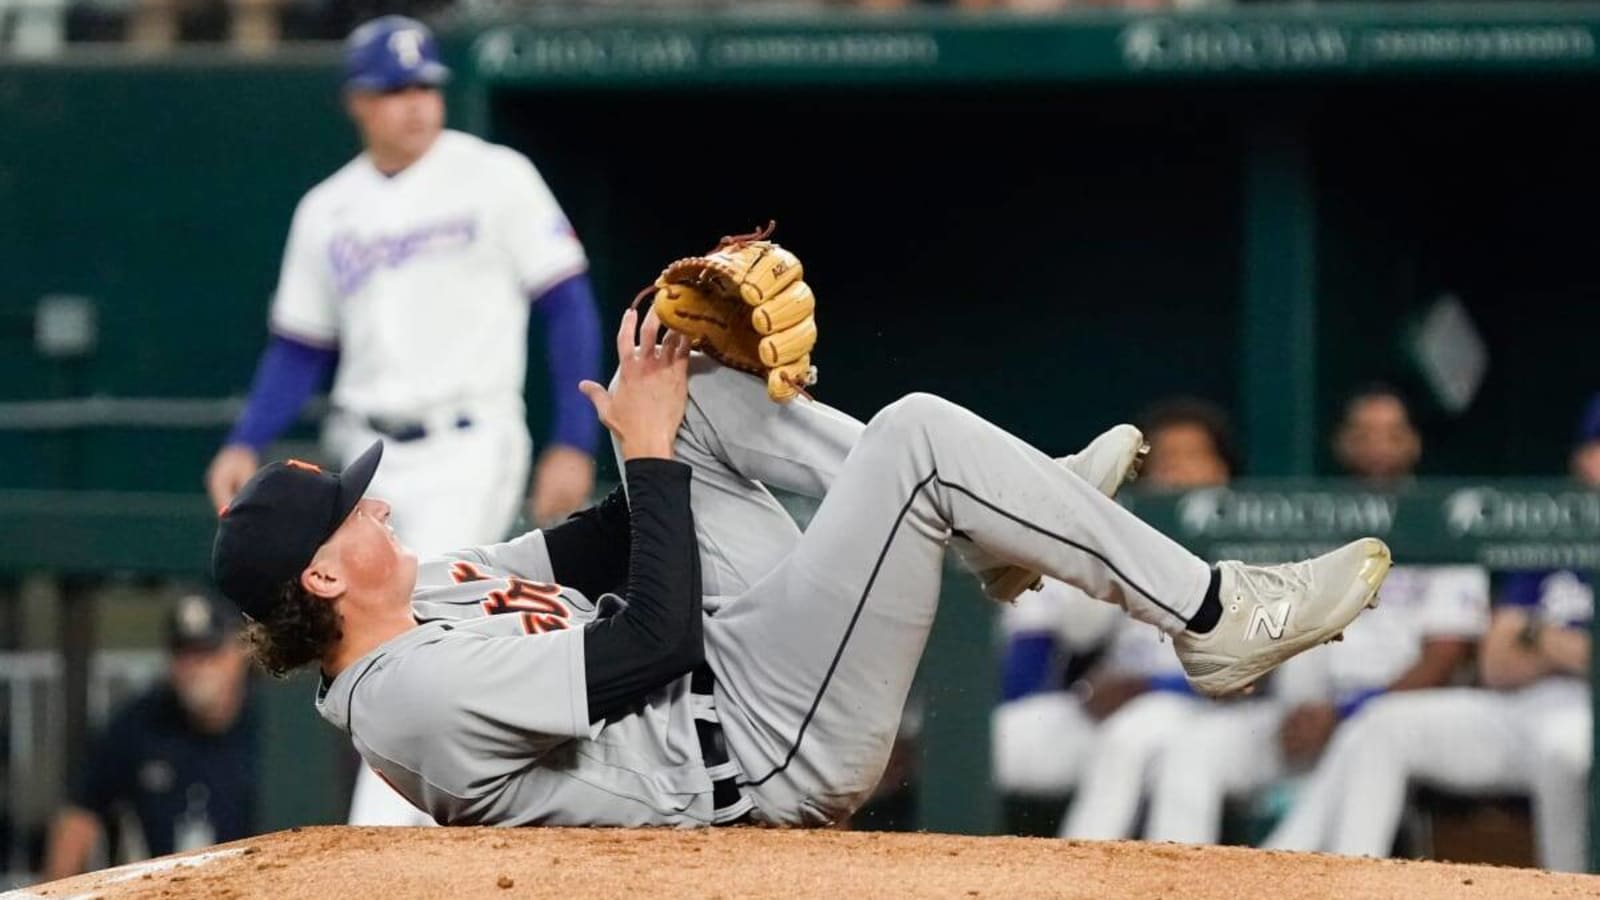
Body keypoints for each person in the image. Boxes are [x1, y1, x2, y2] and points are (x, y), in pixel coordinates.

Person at [209, 305, 1391, 829]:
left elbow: (613, 538)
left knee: (711, 400)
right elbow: (649, 645)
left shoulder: (433, 590)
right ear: (320, 581)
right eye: (352, 515)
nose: (378, 507)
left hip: (739, 675)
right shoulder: (401, 696)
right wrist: (651, 455)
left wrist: (660, 386)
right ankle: (1211, 611)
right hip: (761, 752)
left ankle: (1011, 521)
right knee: (918, 433)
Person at [201, 14, 602, 826]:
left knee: (416, 620)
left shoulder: (497, 175)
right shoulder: (328, 208)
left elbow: (568, 308)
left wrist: (573, 436)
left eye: (426, 86)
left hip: (469, 438)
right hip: (367, 452)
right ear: (358, 100)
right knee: (370, 627)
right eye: (396, 90)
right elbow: (299, 346)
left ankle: (382, 839)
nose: (417, 104)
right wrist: (247, 436)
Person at [1132, 387, 1489, 847]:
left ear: (1413, 442)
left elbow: (1444, 658)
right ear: (1342, 443)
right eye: (1364, 434)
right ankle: (1172, 886)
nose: (1378, 446)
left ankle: (1311, 877)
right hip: (1300, 713)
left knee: (1370, 739)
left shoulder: (1442, 526)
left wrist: (1343, 714)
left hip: (1386, 708)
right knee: (1191, 750)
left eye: (1392, 434)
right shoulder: (1309, 522)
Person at [1260, 396, 1598, 870]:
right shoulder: (1550, 535)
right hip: (1517, 707)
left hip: (1579, 715)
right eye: (1595, 448)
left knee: (1567, 752)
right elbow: (1496, 663)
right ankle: (1334, 877)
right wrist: (1565, 648)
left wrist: (1540, 639)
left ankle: (1573, 888)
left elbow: (1527, 646)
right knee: (1385, 725)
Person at [990, 398, 1236, 825]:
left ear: (1223, 471)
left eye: (1192, 458)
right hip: (1106, 704)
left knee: (1132, 737)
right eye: (1165, 461)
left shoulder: (1249, 546)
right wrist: (1108, 547)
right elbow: (1078, 635)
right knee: (986, 741)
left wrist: (1152, 685)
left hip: (1207, 711)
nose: (1175, 473)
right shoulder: (1128, 538)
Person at [41, 592, 258, 880]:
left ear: (239, 653)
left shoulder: (274, 726)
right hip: (161, 887)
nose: (195, 668)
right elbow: (80, 814)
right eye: (183, 653)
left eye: (208, 653)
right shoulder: (140, 723)